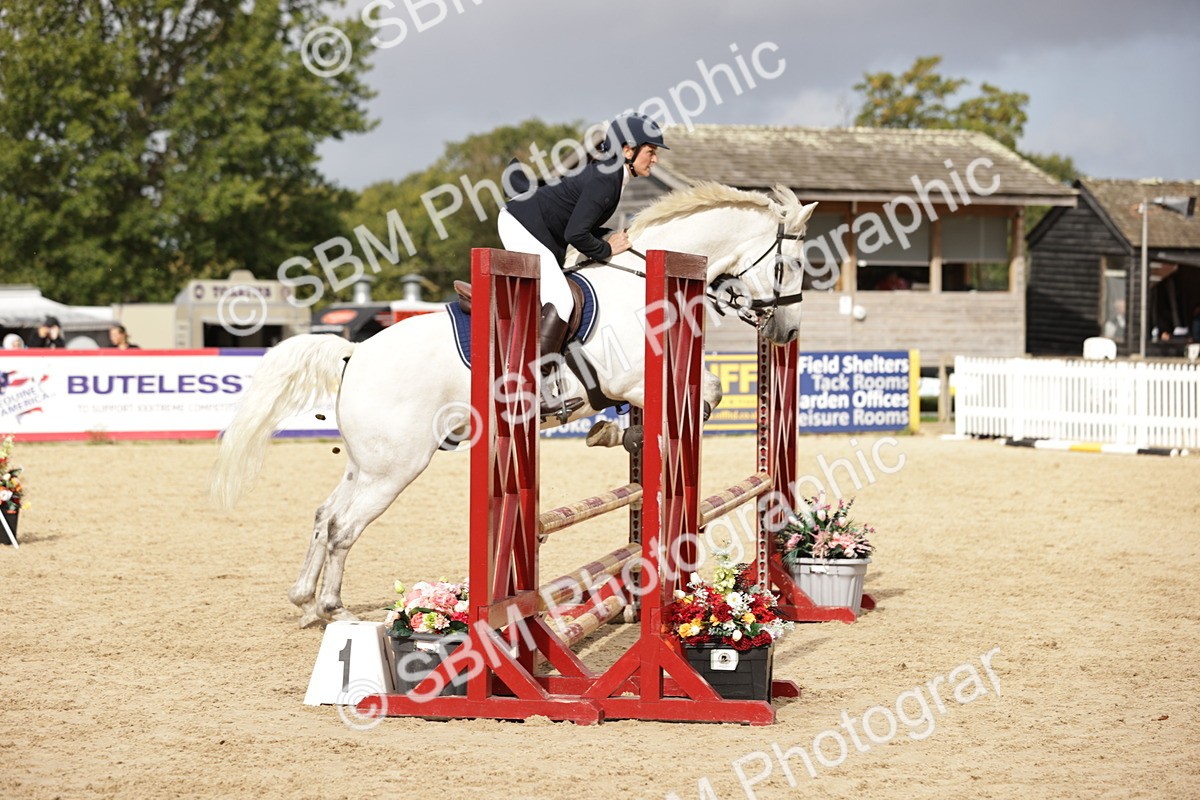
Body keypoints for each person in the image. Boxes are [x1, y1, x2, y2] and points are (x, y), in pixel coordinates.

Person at [498, 112, 668, 361]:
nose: (655, 159)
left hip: (541, 230)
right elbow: (576, 234)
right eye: (651, 151)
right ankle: (535, 377)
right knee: (561, 300)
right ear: (628, 151)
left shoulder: (613, 175)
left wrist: (607, 239)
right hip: (521, 224)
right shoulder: (606, 179)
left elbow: (581, 226)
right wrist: (607, 250)